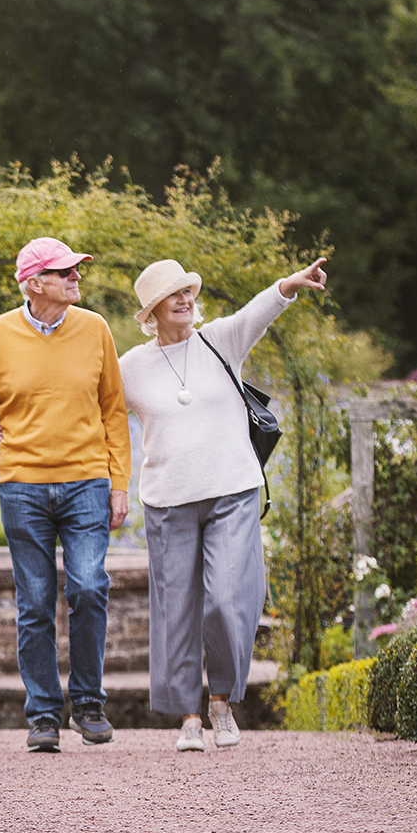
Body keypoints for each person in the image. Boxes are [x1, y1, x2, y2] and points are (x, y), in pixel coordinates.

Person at [120, 256, 328, 751]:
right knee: (176, 610)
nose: (185, 300)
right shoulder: (129, 366)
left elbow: (260, 310)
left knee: (227, 600)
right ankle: (189, 717)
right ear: (153, 310)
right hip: (168, 500)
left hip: (232, 490)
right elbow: (88, 408)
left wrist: (289, 285)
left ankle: (222, 702)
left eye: (188, 292)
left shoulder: (219, 339)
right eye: (174, 295)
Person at [0, 236, 132, 753]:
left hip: (86, 482)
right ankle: (44, 717)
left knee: (89, 586)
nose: (77, 277)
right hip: (22, 487)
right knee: (34, 601)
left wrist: (119, 483)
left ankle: (90, 703)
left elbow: (113, 411)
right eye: (65, 271)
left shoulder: (95, 329)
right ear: (34, 284)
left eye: (77, 269)